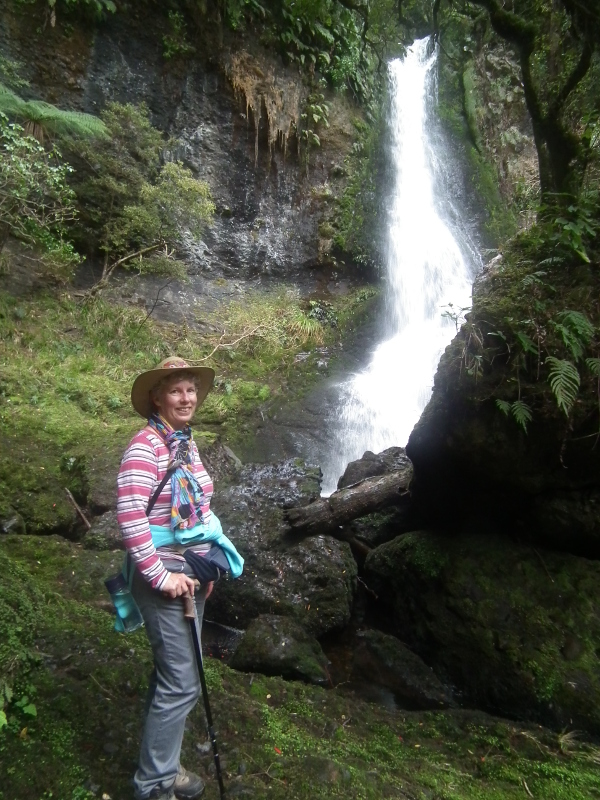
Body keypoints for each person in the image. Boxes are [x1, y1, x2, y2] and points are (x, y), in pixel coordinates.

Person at [117, 356, 243, 800]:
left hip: (191, 571)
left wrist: (207, 563)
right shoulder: (145, 447)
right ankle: (153, 785)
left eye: (190, 389)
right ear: (157, 398)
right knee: (183, 681)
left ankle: (163, 767)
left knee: (175, 675)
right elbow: (131, 517)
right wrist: (160, 576)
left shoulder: (186, 445)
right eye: (176, 390)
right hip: (163, 575)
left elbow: (200, 509)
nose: (186, 398)